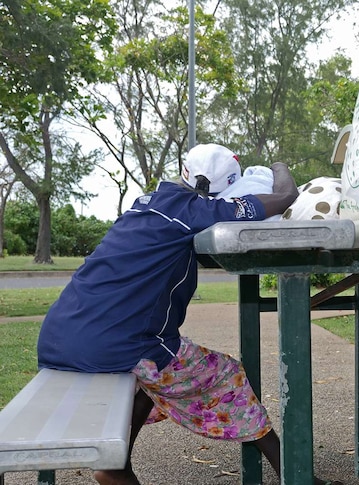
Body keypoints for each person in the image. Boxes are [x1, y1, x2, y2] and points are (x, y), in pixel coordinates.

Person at [37, 143, 340, 485]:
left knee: (144, 379)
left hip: (58, 338)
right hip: (118, 347)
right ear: (229, 185)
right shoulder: (201, 211)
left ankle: (116, 464)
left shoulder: (144, 204)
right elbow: (285, 195)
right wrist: (278, 162)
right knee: (227, 375)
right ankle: (295, 475)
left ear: (183, 172)